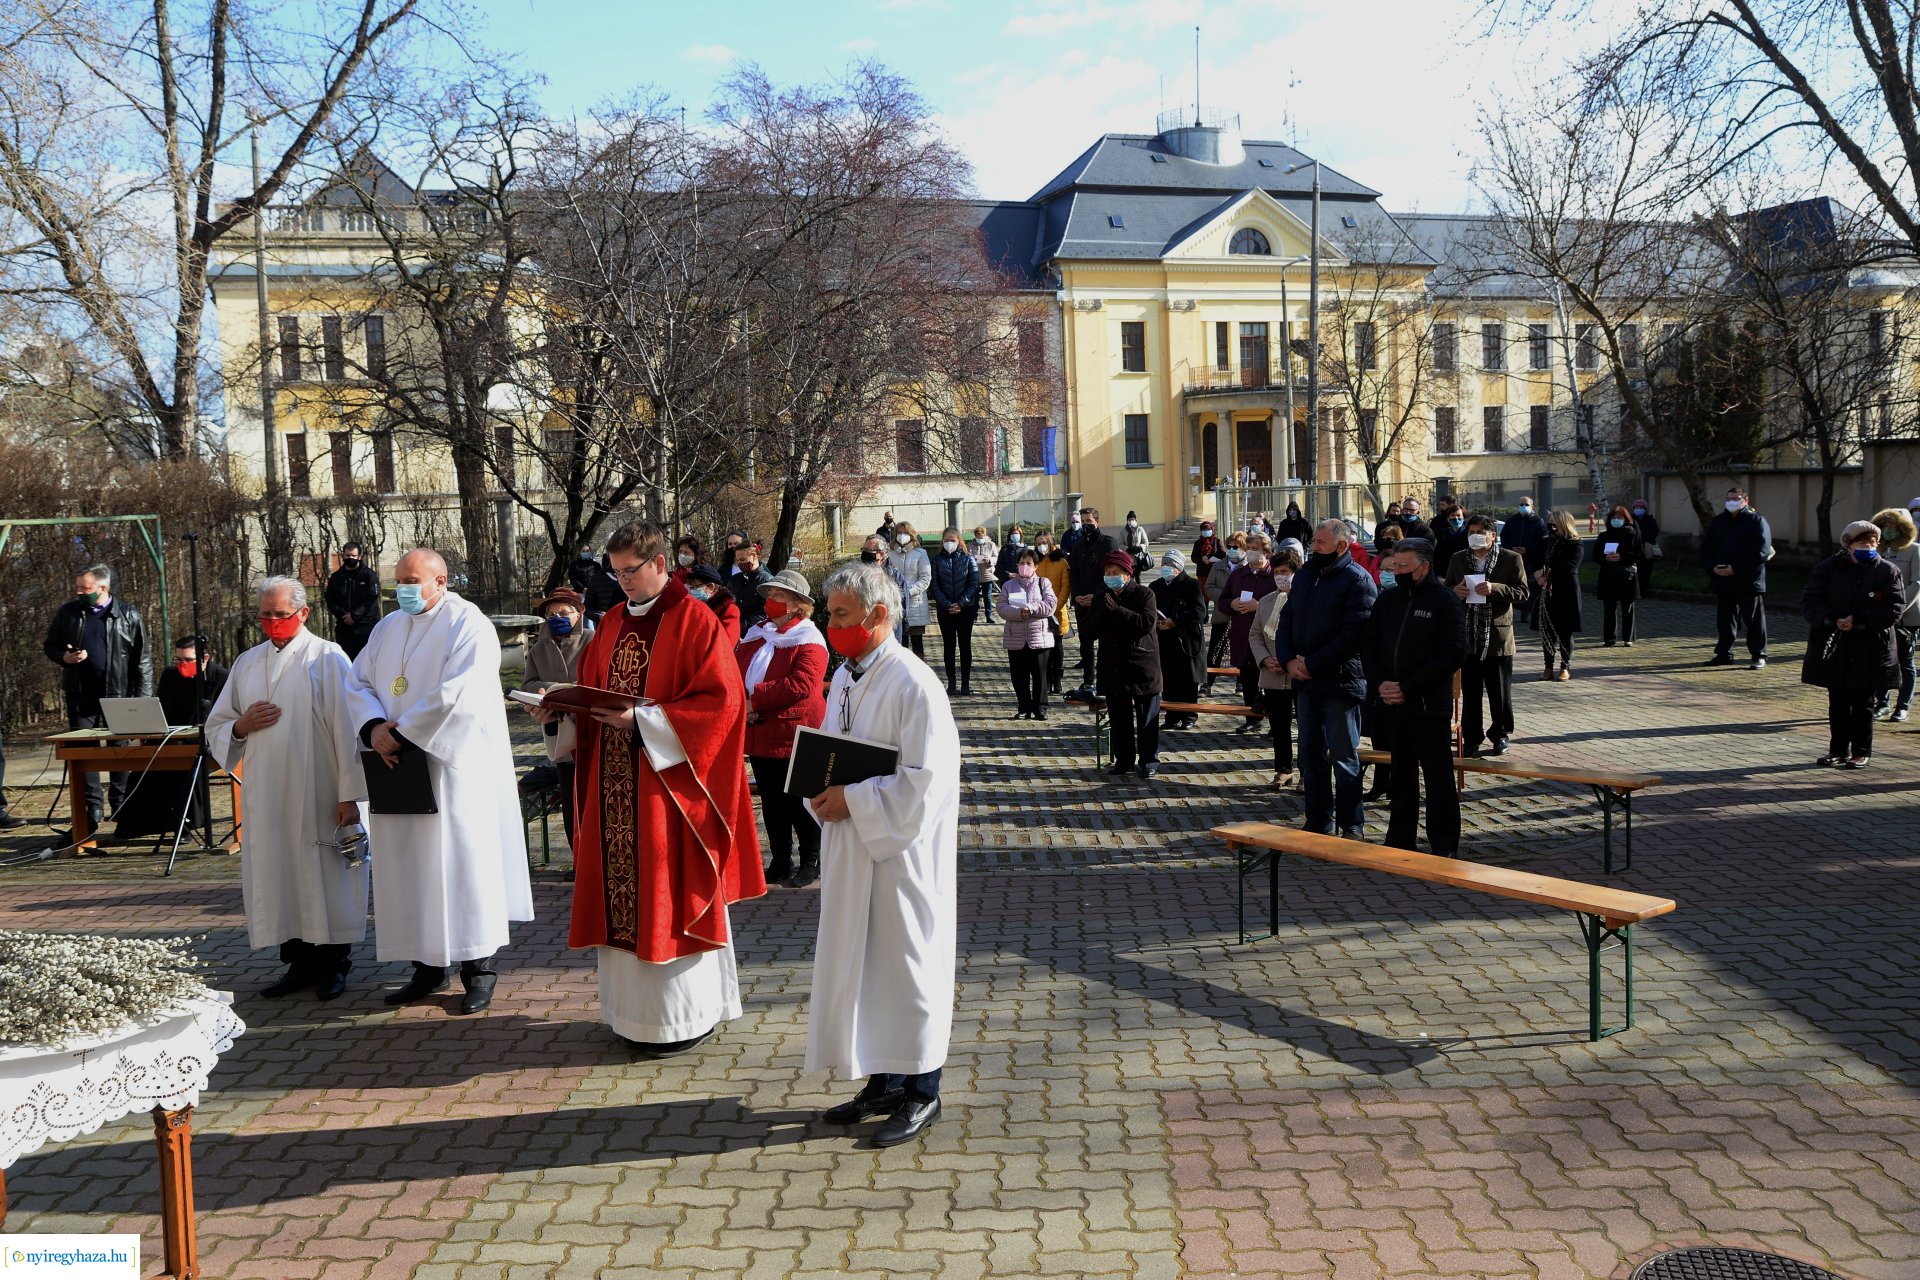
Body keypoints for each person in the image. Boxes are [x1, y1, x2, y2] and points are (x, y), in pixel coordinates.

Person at [563, 523, 766, 1054]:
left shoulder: (694, 620)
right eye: (616, 571)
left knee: (665, 894)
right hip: (614, 789)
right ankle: (632, 1018)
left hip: (669, 791)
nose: (622, 581)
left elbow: (723, 705)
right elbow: (592, 691)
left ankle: (684, 1018)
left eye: (631, 570)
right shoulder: (607, 623)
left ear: (659, 563)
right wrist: (561, 707)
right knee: (623, 899)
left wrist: (645, 723)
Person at [805, 562, 961, 1148]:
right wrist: (820, 789)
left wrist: (857, 798)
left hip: (901, 858)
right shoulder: (846, 677)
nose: (830, 624)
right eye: (829, 614)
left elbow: (929, 781)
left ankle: (924, 1090)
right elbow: (832, 749)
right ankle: (884, 1080)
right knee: (865, 968)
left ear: (877, 615)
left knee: (907, 968)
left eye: (840, 615)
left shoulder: (915, 683)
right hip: (854, 849)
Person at [348, 548, 535, 1016]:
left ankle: (479, 969)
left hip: (454, 769)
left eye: (413, 580)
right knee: (408, 867)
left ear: (442, 581)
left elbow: (462, 691)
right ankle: (426, 967)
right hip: (398, 766)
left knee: (462, 866)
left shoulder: (468, 624)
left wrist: (401, 734)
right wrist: (373, 728)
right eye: (399, 582)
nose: (404, 590)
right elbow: (357, 682)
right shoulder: (387, 628)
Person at [205, 577, 369, 1000]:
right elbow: (220, 723)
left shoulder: (327, 658)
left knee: (324, 875)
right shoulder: (247, 662)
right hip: (267, 792)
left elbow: (348, 729)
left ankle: (334, 964)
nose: (273, 622)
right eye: (266, 615)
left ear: (303, 613)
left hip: (319, 787)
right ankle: (298, 963)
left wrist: (349, 795)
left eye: (281, 614)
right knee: (280, 875)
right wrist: (243, 725)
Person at [1362, 540, 1466, 856]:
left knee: (1438, 779)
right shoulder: (1388, 600)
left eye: (1404, 566)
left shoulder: (1444, 601)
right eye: (1394, 566)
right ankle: (1400, 838)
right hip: (1392, 705)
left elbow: (1452, 653)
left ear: (1423, 566)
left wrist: (1408, 687)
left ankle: (1444, 843)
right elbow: (1368, 645)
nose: (1397, 572)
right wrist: (1380, 684)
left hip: (1427, 706)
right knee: (1401, 777)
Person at [1274, 520, 1377, 839]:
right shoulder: (1304, 576)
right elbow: (1286, 621)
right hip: (1305, 683)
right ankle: (1318, 820)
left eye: (1320, 543)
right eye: (1313, 542)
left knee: (1344, 757)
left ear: (1342, 545)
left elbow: (1354, 635)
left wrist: (1313, 664)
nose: (1313, 547)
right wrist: (1289, 659)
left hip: (1339, 683)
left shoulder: (1357, 580)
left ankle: (1352, 824)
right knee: (1311, 754)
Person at [737, 568, 828, 887]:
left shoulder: (809, 639)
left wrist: (754, 701)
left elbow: (801, 683)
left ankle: (811, 860)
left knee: (799, 802)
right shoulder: (756, 634)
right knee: (773, 804)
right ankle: (779, 860)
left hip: (796, 732)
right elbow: (736, 670)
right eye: (770, 595)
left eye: (779, 596)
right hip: (762, 732)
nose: (771, 601)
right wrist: (741, 701)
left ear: (796, 604)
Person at [42, 563, 151, 829]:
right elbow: (50, 644)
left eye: (85, 588)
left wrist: (141, 699)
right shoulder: (69, 612)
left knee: (120, 751)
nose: (79, 592)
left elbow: (143, 659)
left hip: (118, 693)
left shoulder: (128, 615)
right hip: (81, 694)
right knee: (82, 752)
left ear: (103, 587)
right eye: (78, 587)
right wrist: (65, 657)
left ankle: (121, 804)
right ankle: (92, 807)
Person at [1802, 520, 1906, 768]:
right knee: (1837, 701)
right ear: (1848, 545)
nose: (1867, 547)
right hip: (1835, 643)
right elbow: (1810, 601)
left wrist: (1858, 620)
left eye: (1872, 543)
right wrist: (1831, 619)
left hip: (1870, 645)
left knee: (1863, 703)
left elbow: (1894, 608)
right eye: (1861, 543)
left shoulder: (1888, 571)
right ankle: (1837, 750)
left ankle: (1861, 751)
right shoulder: (1829, 568)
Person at [111, 634, 231, 840]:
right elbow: (162, 711)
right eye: (178, 660)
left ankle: (183, 825)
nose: (182, 665)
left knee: (184, 770)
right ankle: (134, 825)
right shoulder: (170, 675)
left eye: (188, 660)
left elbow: (226, 715)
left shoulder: (222, 678)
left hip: (207, 743)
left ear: (205, 658)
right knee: (144, 770)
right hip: (170, 739)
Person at [1446, 515, 1527, 756]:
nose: (1475, 535)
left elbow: (1523, 592)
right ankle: (1472, 737)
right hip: (1469, 635)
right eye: (1471, 531)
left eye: (1481, 531)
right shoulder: (1458, 558)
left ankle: (1500, 734)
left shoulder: (1511, 558)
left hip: (1497, 636)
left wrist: (1495, 588)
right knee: (1471, 692)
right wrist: (1454, 591)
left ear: (1492, 535)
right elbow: (1447, 588)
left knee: (1499, 691)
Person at [520, 586, 591, 847]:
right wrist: (547, 692)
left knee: (592, 798)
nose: (557, 618)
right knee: (569, 797)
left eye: (564, 612)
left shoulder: (593, 640)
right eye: (551, 614)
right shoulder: (539, 648)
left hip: (592, 729)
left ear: (578, 614)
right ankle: (577, 857)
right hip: (558, 729)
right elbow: (528, 684)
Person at [1089, 549, 1163, 779]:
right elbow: (1090, 629)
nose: (1111, 576)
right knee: (1119, 719)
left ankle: (1149, 761)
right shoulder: (1102, 594)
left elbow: (1146, 623)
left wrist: (1118, 611)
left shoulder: (1144, 594)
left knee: (1147, 719)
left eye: (1116, 572)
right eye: (1108, 572)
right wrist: (1100, 611)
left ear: (1128, 574)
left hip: (1141, 664)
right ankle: (1124, 760)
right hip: (1113, 666)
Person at [1246, 541, 1304, 788]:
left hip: (1299, 673)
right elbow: (1255, 634)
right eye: (1277, 572)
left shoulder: (1306, 599)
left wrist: (1289, 659)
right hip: (1271, 675)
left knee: (1307, 728)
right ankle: (1283, 769)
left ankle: (1308, 772)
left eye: (1286, 573)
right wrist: (1264, 659)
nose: (1281, 577)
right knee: (1278, 727)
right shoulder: (1267, 601)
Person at [1701, 486, 1772, 669]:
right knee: (1725, 620)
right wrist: (1713, 566)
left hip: (1748, 580)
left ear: (1745, 501)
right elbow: (1706, 548)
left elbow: (1760, 551)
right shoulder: (1719, 521)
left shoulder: (1756, 521)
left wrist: (1736, 568)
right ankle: (1724, 653)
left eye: (1736, 499)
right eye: (1729, 499)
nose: (1732, 502)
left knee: (1753, 620)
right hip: (1723, 579)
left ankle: (1758, 655)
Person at [1224, 533, 1278, 736]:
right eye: (1250, 548)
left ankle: (1275, 723)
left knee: (1271, 683)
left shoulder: (1274, 574)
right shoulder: (1238, 574)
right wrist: (1231, 603)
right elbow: (1223, 600)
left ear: (1266, 551)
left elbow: (1284, 601)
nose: (1253, 552)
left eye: (1257, 548)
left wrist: (1260, 605)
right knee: (1248, 682)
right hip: (1242, 636)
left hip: (1267, 639)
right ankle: (1252, 719)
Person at [997, 548, 1057, 720]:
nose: (1025, 566)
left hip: (1039, 637)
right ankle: (1023, 706)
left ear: (1036, 566)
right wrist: (1018, 613)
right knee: (1019, 676)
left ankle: (1040, 708)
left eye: (1029, 563)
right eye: (1022, 563)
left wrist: (1031, 608)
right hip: (1015, 637)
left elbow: (1050, 604)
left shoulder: (1043, 583)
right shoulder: (1008, 585)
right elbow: (1001, 608)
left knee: (1040, 675)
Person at [1872, 507, 1918, 723]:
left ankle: (1903, 706)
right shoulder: (1879, 550)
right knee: (1882, 660)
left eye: (1894, 527)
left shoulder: (1915, 551)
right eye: (1885, 527)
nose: (1889, 531)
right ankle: (1882, 702)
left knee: (1905, 661)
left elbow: (1916, 584)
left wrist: (1898, 608)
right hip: (1881, 616)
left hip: (1907, 617)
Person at [1066, 507, 1119, 694]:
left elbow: (1112, 574)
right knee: (1085, 644)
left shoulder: (1108, 543)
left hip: (1103, 601)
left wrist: (1095, 597)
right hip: (1082, 602)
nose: (1085, 526)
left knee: (1106, 643)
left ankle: (1106, 680)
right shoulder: (1078, 545)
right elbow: (1074, 574)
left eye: (1089, 522)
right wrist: (1077, 595)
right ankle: (1088, 680)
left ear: (1097, 521)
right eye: (1083, 522)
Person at [1150, 550, 1205, 729]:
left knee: (1187, 680)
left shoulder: (1191, 584)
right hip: (1164, 639)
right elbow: (1148, 609)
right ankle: (1171, 716)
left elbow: (1199, 612)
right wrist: (1157, 623)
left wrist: (1175, 621)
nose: (1167, 567)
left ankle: (1189, 715)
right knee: (1168, 679)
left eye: (1171, 565)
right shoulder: (1156, 586)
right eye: (1164, 564)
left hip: (1186, 640)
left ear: (1179, 567)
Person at [1533, 509, 1584, 681]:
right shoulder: (1546, 542)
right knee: (1547, 630)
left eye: (1554, 521)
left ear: (1563, 522)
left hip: (1566, 589)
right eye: (1549, 521)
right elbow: (1536, 560)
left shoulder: (1575, 543)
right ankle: (1548, 667)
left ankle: (1565, 666)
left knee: (1565, 630)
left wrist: (1547, 573)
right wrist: (1538, 574)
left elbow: (1570, 566)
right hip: (1548, 590)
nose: (1551, 524)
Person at [928, 527, 979, 695]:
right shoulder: (936, 560)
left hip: (965, 610)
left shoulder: (968, 558)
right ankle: (951, 683)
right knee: (949, 647)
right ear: (942, 542)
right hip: (945, 610)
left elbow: (974, 583)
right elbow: (934, 585)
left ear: (959, 542)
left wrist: (961, 603)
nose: (949, 543)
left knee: (965, 646)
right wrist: (946, 604)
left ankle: (965, 683)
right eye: (946, 540)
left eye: (953, 540)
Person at [1594, 504, 1644, 646]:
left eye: (1620, 518)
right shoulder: (1604, 536)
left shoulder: (1633, 534)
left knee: (1627, 608)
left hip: (1626, 576)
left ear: (1626, 519)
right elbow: (1596, 555)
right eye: (1614, 518)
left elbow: (1639, 555)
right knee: (1609, 609)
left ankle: (1628, 638)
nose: (1616, 520)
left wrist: (1622, 556)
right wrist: (1605, 558)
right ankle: (1609, 638)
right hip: (1608, 576)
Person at [1203, 532, 1249, 685]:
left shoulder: (1249, 567)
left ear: (1244, 548)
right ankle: (1208, 683)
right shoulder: (1218, 566)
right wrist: (1226, 598)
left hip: (1243, 616)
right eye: (1229, 546)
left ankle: (1241, 683)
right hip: (1221, 614)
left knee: (1243, 651)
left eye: (1235, 547)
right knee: (1215, 651)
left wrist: (1240, 601)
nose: (1231, 549)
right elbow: (1208, 587)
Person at [324, 541, 382, 659]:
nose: (350, 558)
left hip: (366, 626)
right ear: (343, 556)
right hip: (344, 628)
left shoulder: (368, 575)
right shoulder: (336, 577)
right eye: (347, 555)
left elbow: (372, 596)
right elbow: (330, 598)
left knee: (368, 660)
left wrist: (355, 615)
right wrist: (343, 615)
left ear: (359, 557)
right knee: (346, 661)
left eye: (353, 556)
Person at [1501, 497, 1550, 624]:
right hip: (1512, 558)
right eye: (1521, 504)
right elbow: (1504, 537)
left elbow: (1542, 540)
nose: (1523, 506)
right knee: (1511, 584)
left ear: (1532, 506)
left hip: (1531, 559)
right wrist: (1511, 548)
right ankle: (1508, 610)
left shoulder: (1538, 521)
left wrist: (1527, 549)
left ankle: (1527, 612)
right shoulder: (1512, 521)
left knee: (1529, 586)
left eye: (1526, 504)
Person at [1034, 531, 1072, 694]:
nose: (1042, 546)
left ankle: (1057, 680)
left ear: (1051, 542)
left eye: (1044, 542)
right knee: (1043, 649)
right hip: (1039, 612)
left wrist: (1055, 606)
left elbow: (1065, 587)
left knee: (1057, 647)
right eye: (1038, 543)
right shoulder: (1035, 562)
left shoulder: (1062, 562)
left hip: (1057, 612)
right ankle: (1046, 680)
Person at [889, 522, 932, 660]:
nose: (902, 536)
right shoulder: (890, 553)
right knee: (900, 644)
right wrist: (895, 593)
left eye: (905, 533)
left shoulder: (921, 553)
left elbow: (925, 578)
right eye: (899, 532)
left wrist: (908, 592)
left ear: (911, 535)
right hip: (895, 602)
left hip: (915, 604)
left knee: (917, 643)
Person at [728, 539, 773, 636]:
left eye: (743, 559)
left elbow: (765, 612)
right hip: (734, 631)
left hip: (757, 633)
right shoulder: (734, 580)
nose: (740, 563)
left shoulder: (767, 581)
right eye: (738, 560)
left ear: (755, 556)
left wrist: (743, 624)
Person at [685, 563, 742, 635]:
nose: (693, 591)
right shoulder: (694, 608)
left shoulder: (729, 610)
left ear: (711, 587)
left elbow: (726, 641)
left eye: (696, 587)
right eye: (691, 587)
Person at [581, 548, 626, 624]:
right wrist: (599, 616)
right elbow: (587, 607)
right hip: (607, 626)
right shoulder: (597, 578)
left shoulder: (637, 575)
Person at [1631, 499, 1661, 597]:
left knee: (1645, 572)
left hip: (1646, 550)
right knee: (1634, 571)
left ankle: (1643, 592)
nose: (1638, 509)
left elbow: (1654, 532)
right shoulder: (1631, 520)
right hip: (1634, 550)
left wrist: (1642, 537)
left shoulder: (1650, 519)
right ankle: (1634, 591)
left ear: (1645, 509)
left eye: (1640, 508)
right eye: (1636, 507)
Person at [970, 526, 999, 619]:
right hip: (974, 575)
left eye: (981, 537)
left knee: (988, 596)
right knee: (974, 597)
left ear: (985, 535)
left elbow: (996, 557)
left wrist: (990, 560)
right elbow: (966, 557)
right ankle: (974, 615)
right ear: (975, 536)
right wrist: (972, 560)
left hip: (987, 574)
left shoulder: (991, 544)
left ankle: (989, 615)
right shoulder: (969, 545)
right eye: (978, 537)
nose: (980, 539)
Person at [1432, 504, 1470, 569]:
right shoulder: (1441, 535)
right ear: (1448, 519)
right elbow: (1437, 555)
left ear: (1463, 518)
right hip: (1445, 573)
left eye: (1458, 515)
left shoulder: (1469, 535)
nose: (1456, 518)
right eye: (1452, 515)